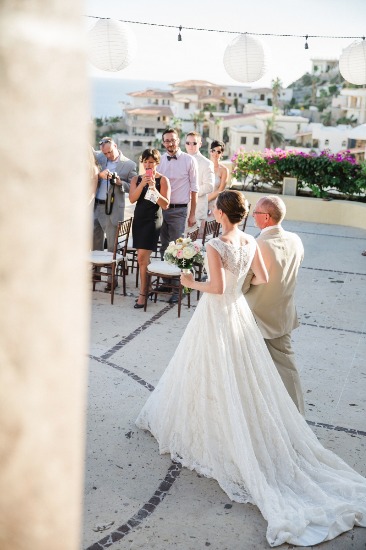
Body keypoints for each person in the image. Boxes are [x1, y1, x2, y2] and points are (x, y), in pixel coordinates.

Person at [136, 189, 366, 548]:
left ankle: (218, 429)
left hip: (216, 313)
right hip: (239, 312)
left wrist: (189, 282)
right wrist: (234, 293)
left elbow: (215, 286)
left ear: (222, 213)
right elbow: (259, 278)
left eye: (214, 207)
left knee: (211, 367)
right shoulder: (249, 239)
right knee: (239, 371)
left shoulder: (215, 244)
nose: (211, 210)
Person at [243, 196, 305, 414]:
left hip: (256, 317)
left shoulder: (257, 245)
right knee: (287, 366)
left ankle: (256, 413)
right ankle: (296, 414)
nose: (253, 217)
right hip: (283, 313)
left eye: (256, 213)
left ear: (266, 218)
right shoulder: (296, 240)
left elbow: (242, 286)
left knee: (247, 367)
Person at [157, 128, 198, 304]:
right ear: (163, 142)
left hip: (179, 211)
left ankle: (181, 287)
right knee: (164, 247)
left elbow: (194, 189)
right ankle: (167, 283)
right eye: (166, 141)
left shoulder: (189, 160)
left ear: (178, 141)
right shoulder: (159, 161)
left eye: (172, 140)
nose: (170, 143)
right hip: (161, 210)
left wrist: (192, 214)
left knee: (179, 250)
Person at [129, 149, 171, 308]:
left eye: (151, 162)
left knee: (141, 258)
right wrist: (143, 184)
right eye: (145, 162)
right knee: (143, 259)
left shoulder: (163, 180)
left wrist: (153, 188)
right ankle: (148, 287)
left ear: (157, 163)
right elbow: (132, 199)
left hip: (152, 222)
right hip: (139, 220)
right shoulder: (136, 179)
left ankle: (143, 294)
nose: (148, 165)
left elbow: (165, 205)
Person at [94, 137, 137, 290]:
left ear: (116, 146)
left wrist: (120, 183)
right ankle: (96, 273)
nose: (108, 156)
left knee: (112, 246)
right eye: (105, 153)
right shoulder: (100, 157)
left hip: (112, 210)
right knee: (95, 243)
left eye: (110, 152)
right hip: (96, 207)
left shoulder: (129, 164)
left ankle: (113, 279)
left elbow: (134, 186)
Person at [185, 131, 214, 235]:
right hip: (180, 210)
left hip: (197, 211)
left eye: (194, 143)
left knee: (192, 246)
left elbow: (209, 186)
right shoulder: (180, 160)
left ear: (200, 144)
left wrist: (191, 193)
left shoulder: (207, 163)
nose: (191, 146)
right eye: (188, 143)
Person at [207, 140, 229, 218]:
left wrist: (206, 200)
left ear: (222, 154)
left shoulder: (224, 170)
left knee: (210, 228)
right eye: (213, 150)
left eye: (218, 152)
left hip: (215, 204)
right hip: (201, 202)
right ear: (210, 151)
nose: (215, 154)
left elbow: (220, 190)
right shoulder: (205, 166)